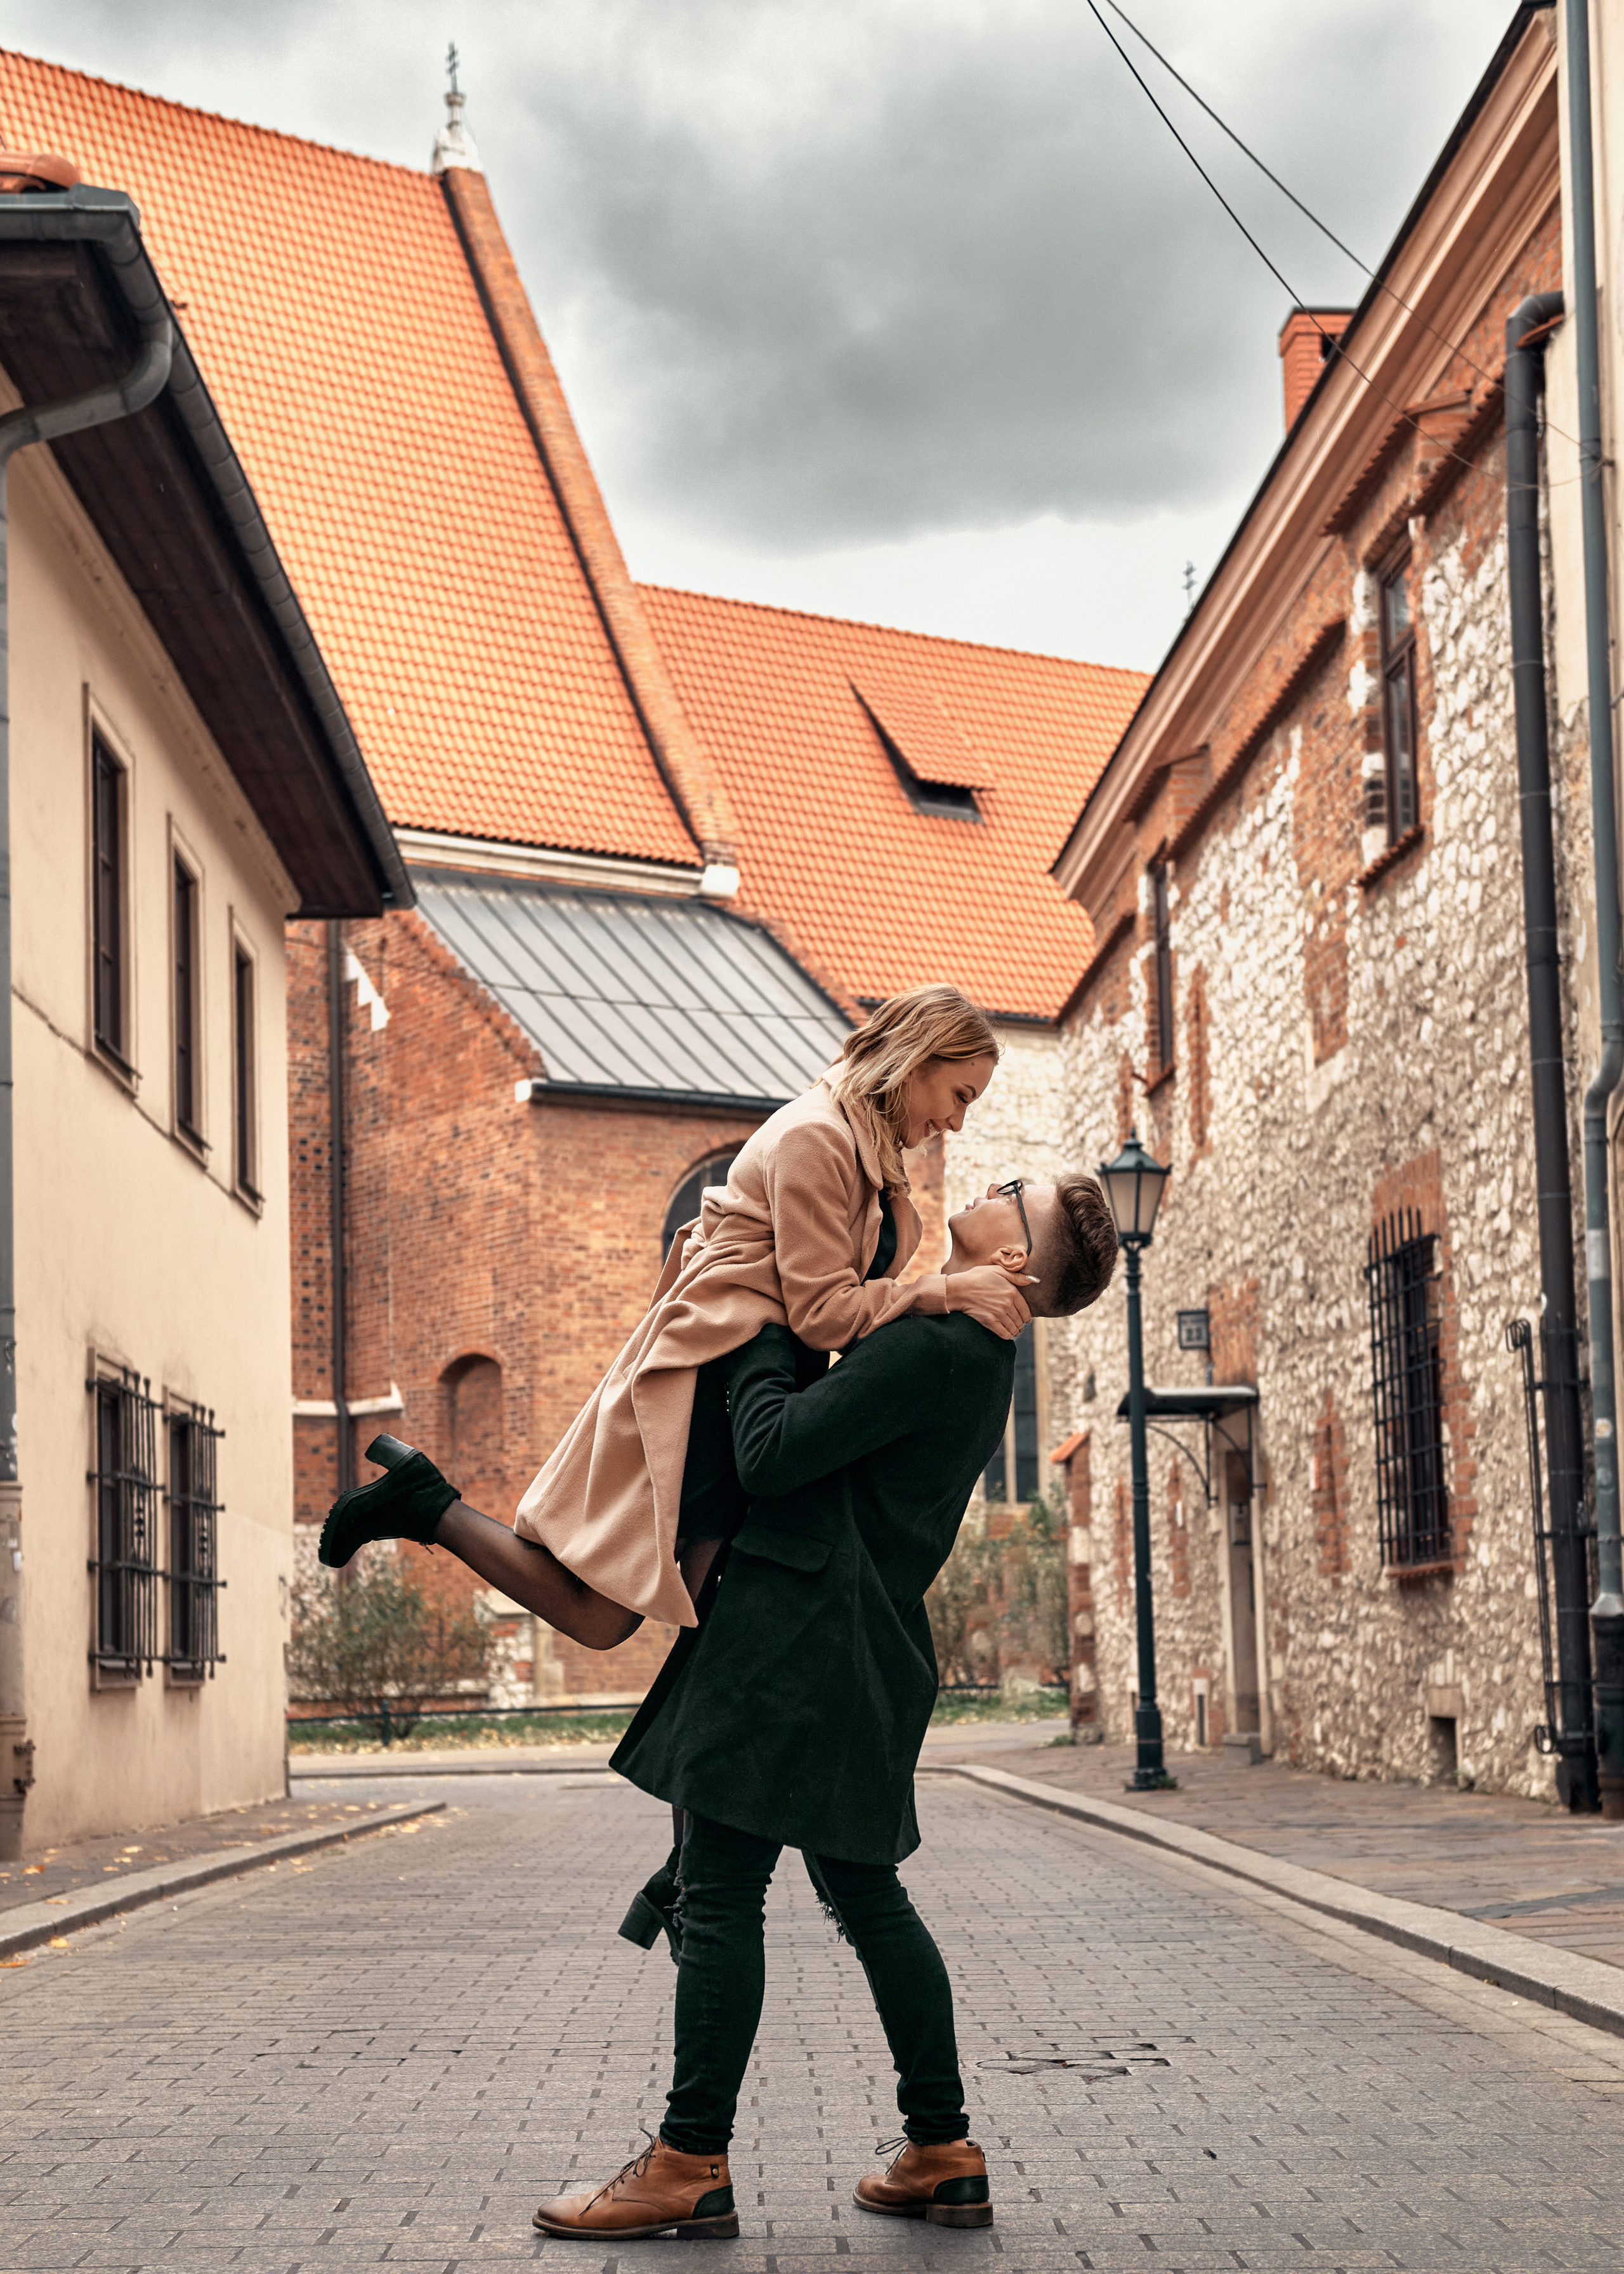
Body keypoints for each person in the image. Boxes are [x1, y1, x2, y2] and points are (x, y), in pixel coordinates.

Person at [528, 1169, 1120, 2242]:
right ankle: (941, 2148)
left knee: (718, 1892)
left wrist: (756, 1322)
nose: (992, 1182)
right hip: (857, 1642)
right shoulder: (977, 1349)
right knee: (864, 1890)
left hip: (791, 1642)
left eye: (1016, 1193)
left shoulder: (940, 1343)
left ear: (1019, 1261)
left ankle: (687, 2159)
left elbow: (773, 1447)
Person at [317, 986, 1034, 1644]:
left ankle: (423, 1502)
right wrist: (943, 1292)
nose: (958, 1121)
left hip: (755, 1377)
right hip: (716, 1378)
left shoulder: (863, 1142)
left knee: (683, 1610)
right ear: (916, 1059)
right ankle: (424, 1503)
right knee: (605, 1615)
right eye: (959, 1093)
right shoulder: (817, 1138)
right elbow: (822, 1312)